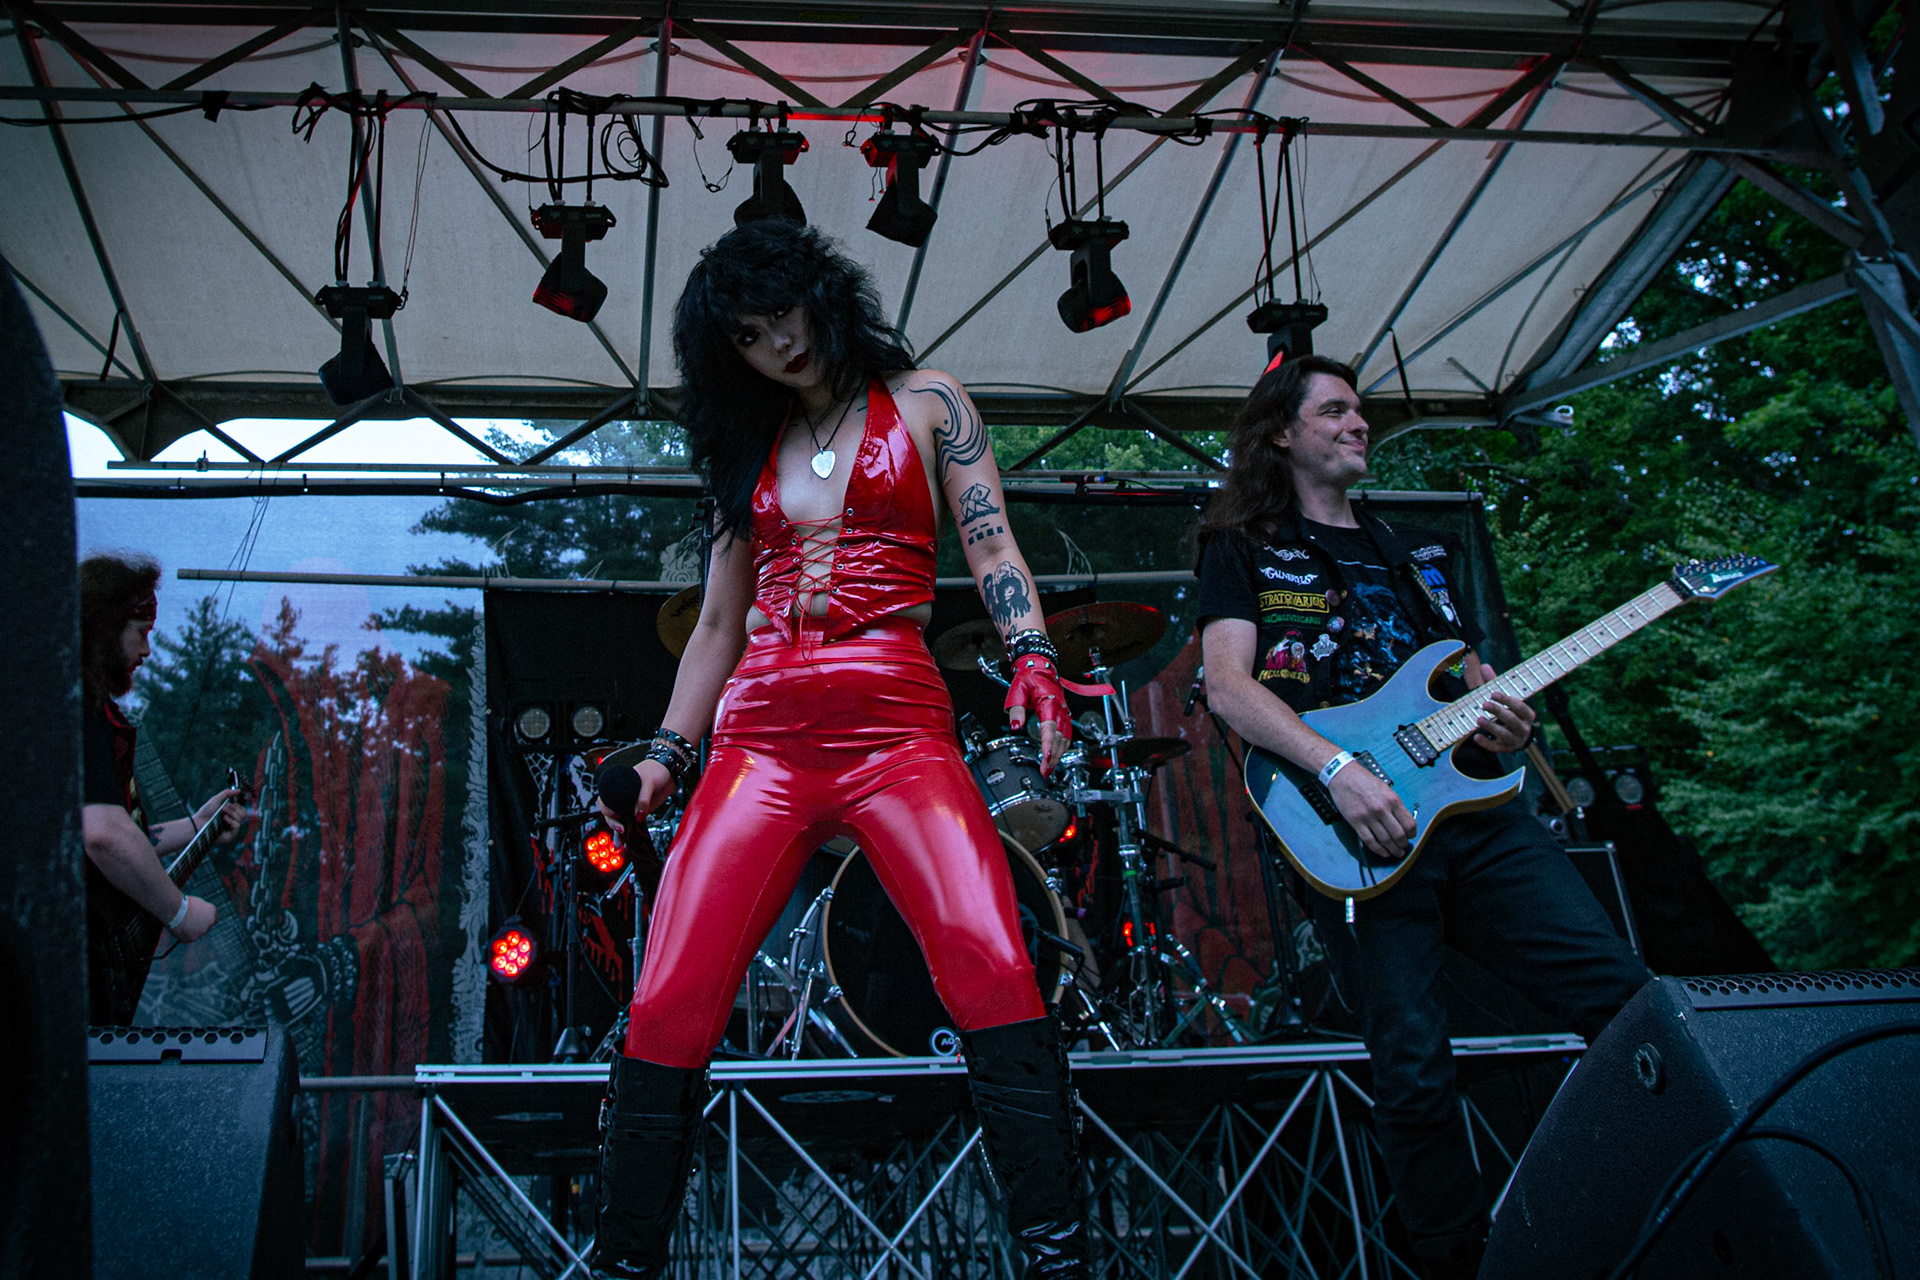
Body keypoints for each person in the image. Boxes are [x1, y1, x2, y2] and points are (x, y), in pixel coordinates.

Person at [591, 219, 1087, 1280]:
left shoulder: (930, 400)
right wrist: (666, 756)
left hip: (896, 726)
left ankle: (1060, 1260)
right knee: (668, 997)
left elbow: (992, 540)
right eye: (749, 334)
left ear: (824, 293)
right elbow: (715, 625)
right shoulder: (745, 449)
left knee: (997, 964)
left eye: (785, 313)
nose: (779, 343)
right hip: (761, 738)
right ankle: (621, 1264)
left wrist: (1034, 654)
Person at [1193, 355, 1651, 1280]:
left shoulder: (1423, 555)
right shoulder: (1240, 547)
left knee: (1630, 1001)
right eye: (1335, 410)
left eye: (1360, 410)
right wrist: (1339, 770)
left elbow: (1474, 695)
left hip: (1477, 822)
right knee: (1412, 1067)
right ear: (1281, 432)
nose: (1359, 423)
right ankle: (1456, 1262)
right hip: (1355, 829)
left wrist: (1508, 729)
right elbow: (1228, 688)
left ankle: (1656, 1211)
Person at [80, 551, 243, 1025]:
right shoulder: (78, 710)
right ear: (107, 628)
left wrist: (197, 825)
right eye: (142, 632)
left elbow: (121, 833)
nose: (148, 650)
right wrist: (178, 912)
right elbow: (103, 835)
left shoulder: (86, 709)